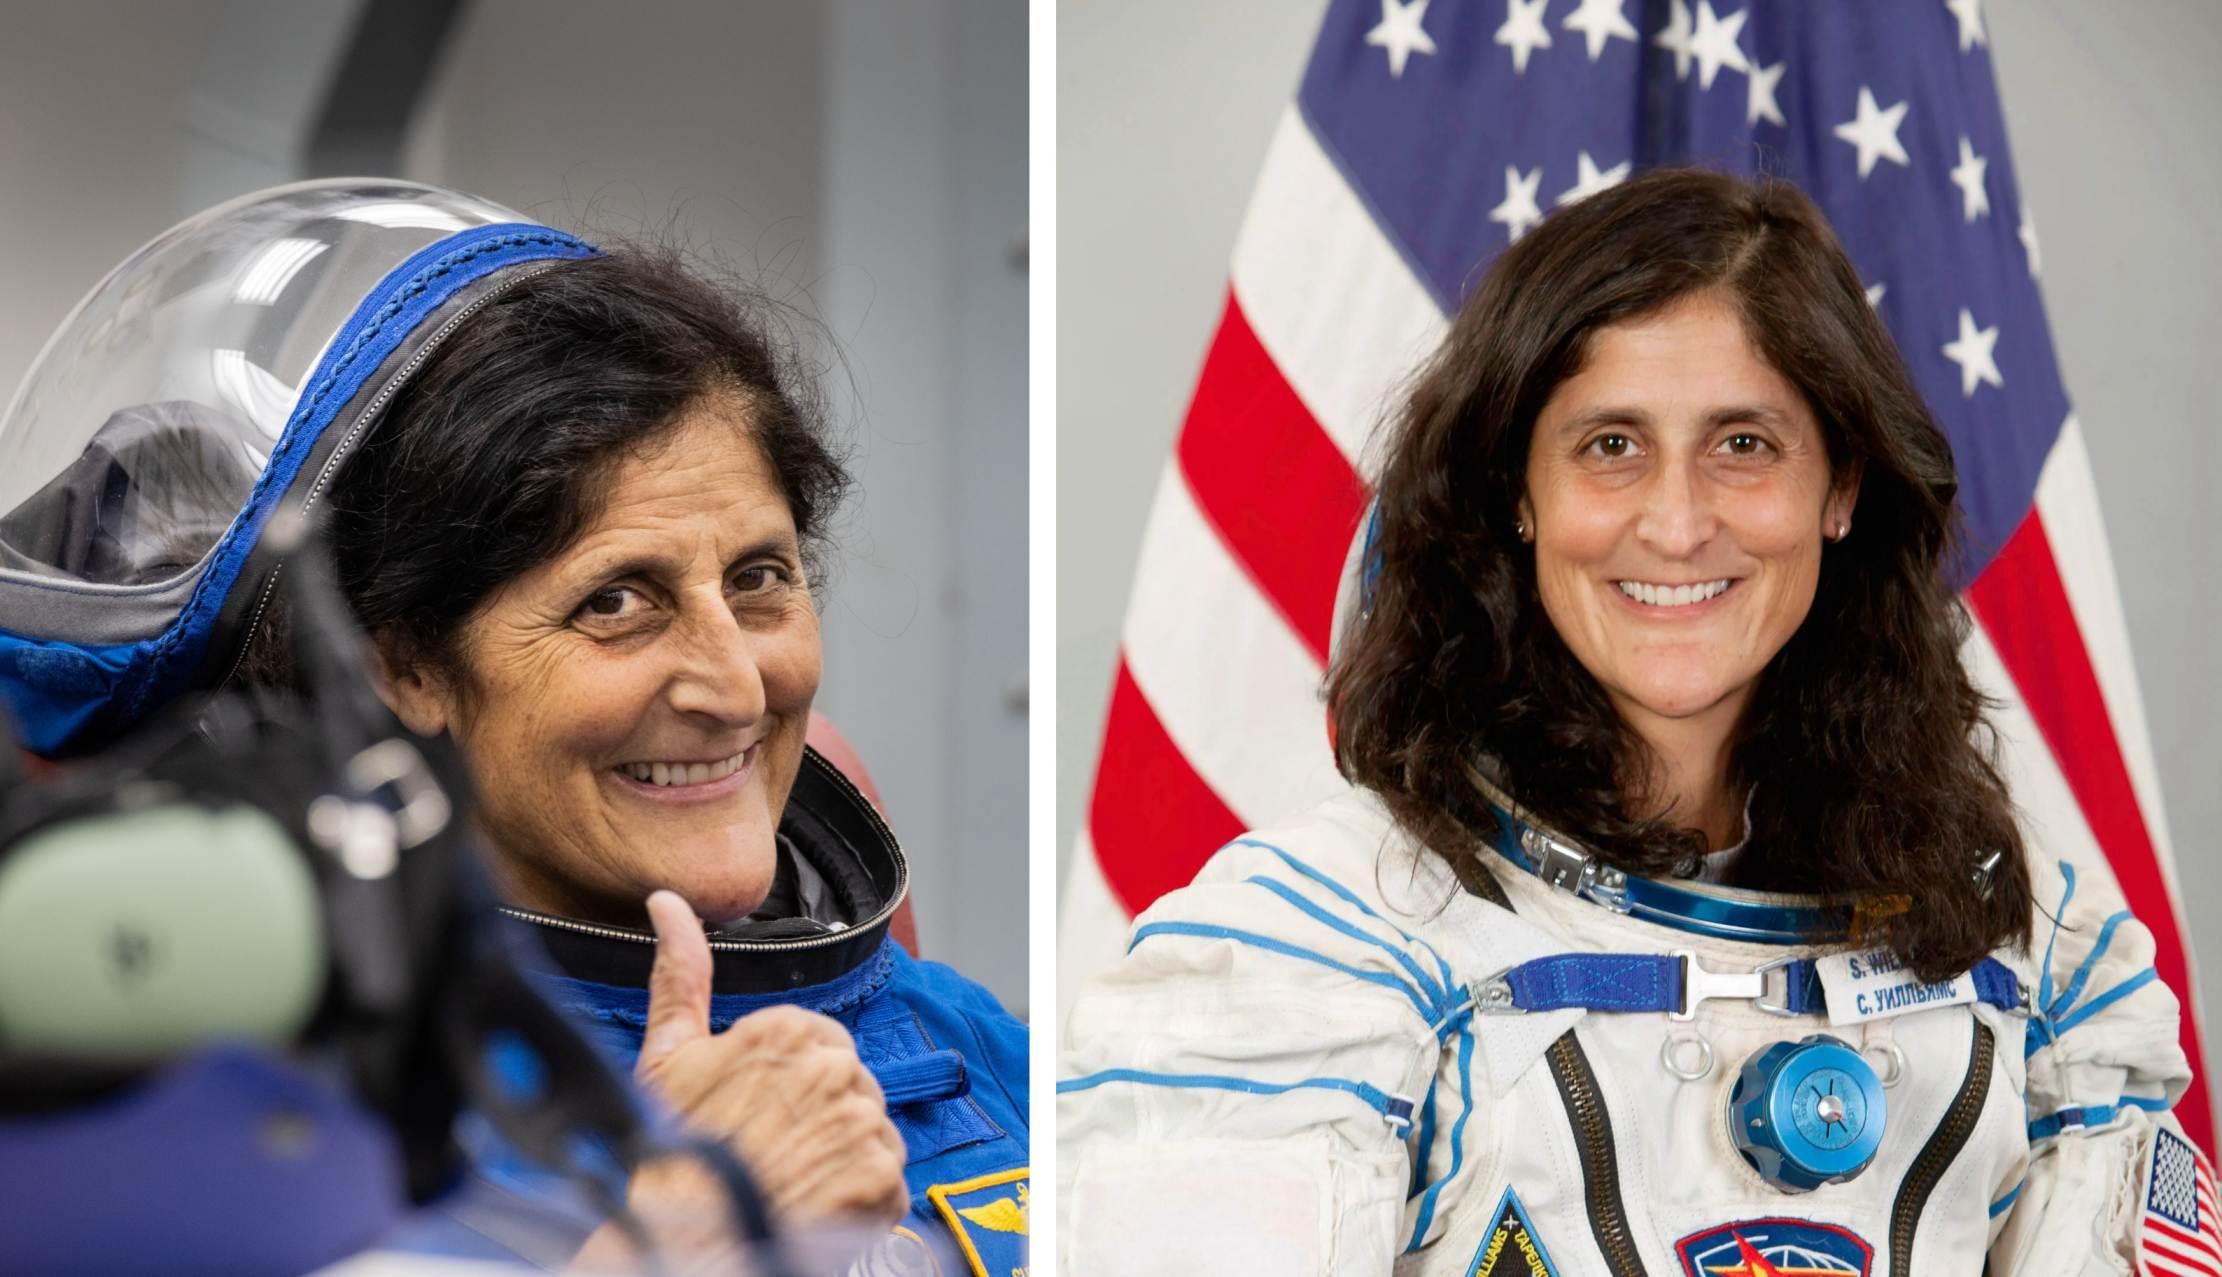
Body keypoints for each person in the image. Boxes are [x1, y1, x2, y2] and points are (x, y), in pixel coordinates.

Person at [1058, 168, 2193, 1276]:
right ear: (1516, 489)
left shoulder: (2025, 944)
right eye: (1610, 445)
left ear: (1840, 486)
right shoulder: (1310, 951)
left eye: (1741, 443)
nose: (1676, 520)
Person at [0, 181, 1025, 1275]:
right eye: (618, 600)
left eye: (759, 578)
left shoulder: (966, 1041)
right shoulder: (219, 1131)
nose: (734, 686)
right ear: (399, 665)